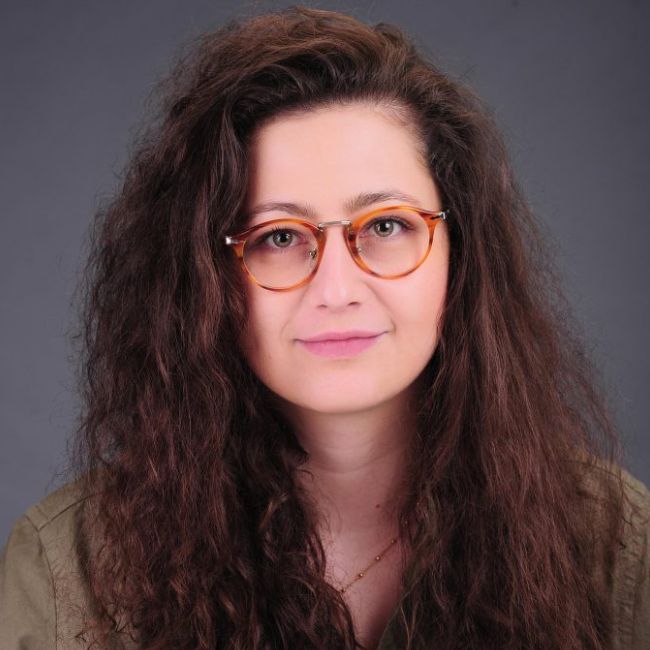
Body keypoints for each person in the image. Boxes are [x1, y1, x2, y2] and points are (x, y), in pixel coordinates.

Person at [1, 5, 648, 649]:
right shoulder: (68, 573)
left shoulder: (615, 545)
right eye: (278, 236)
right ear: (201, 279)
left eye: (387, 225)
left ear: (463, 254)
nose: (336, 290)